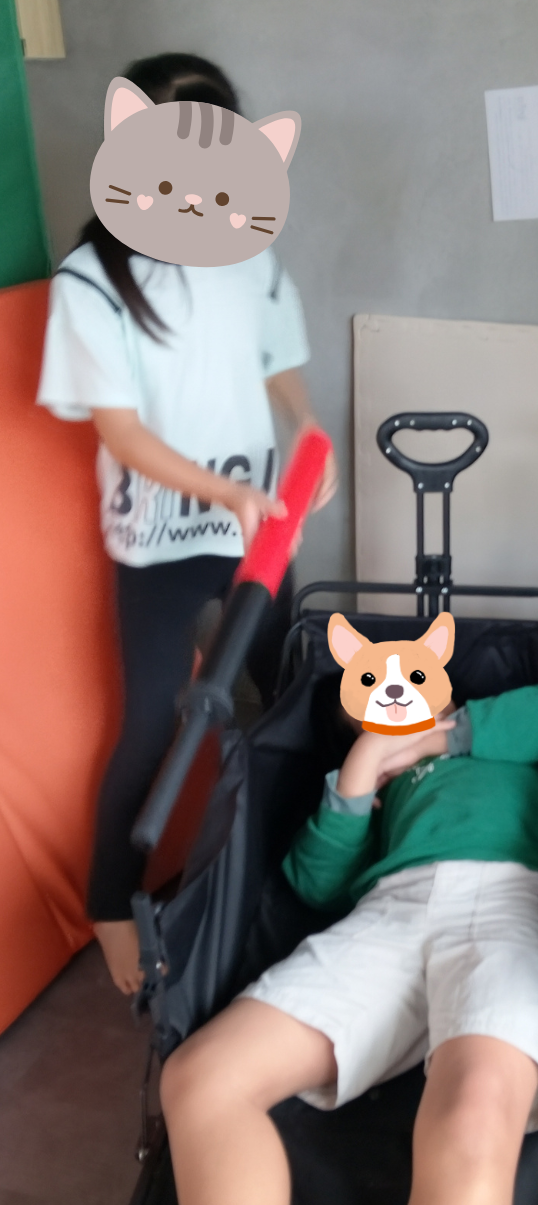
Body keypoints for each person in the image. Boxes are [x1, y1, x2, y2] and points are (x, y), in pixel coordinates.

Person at [37, 53, 337, 996]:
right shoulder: (91, 279)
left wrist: (306, 424)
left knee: (294, 691)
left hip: (257, 526)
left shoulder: (251, 253)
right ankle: (110, 906)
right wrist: (223, 493)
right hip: (162, 539)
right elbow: (120, 432)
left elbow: (276, 360)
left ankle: (312, 864)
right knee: (153, 723)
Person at [159, 682, 538, 1205]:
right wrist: (359, 776)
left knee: (476, 1111)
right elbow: (315, 880)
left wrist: (437, 738)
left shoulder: (502, 731)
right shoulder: (377, 778)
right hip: (393, 908)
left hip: (514, 898)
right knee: (204, 1078)